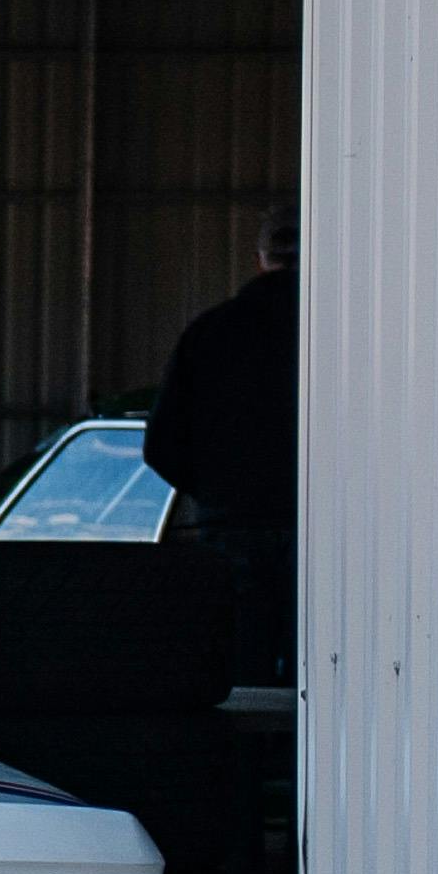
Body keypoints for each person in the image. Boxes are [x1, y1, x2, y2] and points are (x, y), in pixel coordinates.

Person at [142, 205, 299, 682]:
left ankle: (252, 757)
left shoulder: (208, 334)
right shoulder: (344, 333)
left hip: (231, 531)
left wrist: (218, 493)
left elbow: (161, 446)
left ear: (260, 259)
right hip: (322, 533)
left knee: (240, 674)